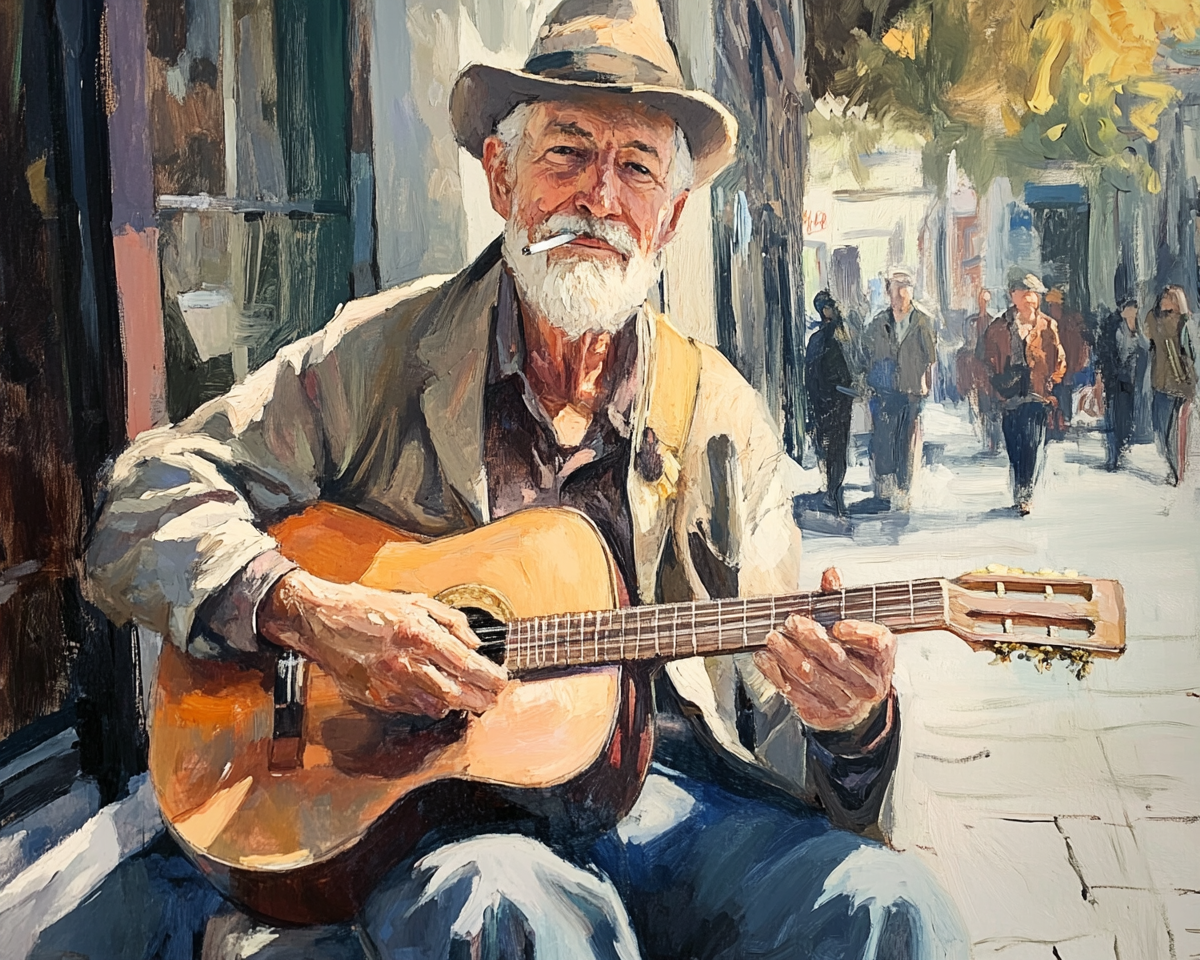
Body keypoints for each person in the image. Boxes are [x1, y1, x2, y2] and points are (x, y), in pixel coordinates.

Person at [84, 2, 966, 958]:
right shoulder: (381, 355)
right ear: (501, 176)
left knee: (889, 903)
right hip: (455, 829)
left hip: (675, 812)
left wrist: (855, 726)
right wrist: (307, 613)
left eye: (636, 168)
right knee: (499, 904)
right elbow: (138, 498)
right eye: (567, 153)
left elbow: (773, 726)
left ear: (669, 217)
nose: (598, 197)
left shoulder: (722, 420)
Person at [983, 272, 1066, 514]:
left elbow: (1059, 360)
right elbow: (987, 359)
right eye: (1025, 293)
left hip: (1036, 396)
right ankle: (1020, 486)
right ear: (1014, 295)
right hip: (1009, 397)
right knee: (1014, 446)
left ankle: (1025, 493)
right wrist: (996, 385)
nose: (1031, 299)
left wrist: (1051, 384)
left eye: (1034, 295)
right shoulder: (999, 327)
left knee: (1032, 444)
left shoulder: (1047, 325)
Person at [864, 267, 937, 509]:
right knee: (884, 437)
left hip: (911, 389)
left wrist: (926, 382)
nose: (900, 299)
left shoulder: (922, 322)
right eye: (897, 293)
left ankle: (903, 489)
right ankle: (885, 484)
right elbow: (867, 354)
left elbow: (931, 356)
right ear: (889, 293)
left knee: (906, 440)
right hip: (884, 389)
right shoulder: (878, 323)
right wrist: (870, 381)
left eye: (905, 293)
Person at [805, 291, 856, 514]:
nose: (834, 310)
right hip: (833, 400)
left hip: (832, 401)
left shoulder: (828, 338)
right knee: (835, 447)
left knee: (832, 447)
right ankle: (833, 491)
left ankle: (833, 491)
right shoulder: (834, 337)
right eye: (830, 306)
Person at [1144, 286, 1196, 485]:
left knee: (1177, 433)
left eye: (1170, 298)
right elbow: (1148, 337)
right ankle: (1175, 469)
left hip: (1182, 384)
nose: (1165, 301)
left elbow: (1191, 352)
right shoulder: (1153, 318)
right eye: (1164, 297)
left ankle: (1178, 473)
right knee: (1161, 431)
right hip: (1161, 382)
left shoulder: (1185, 322)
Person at [1095, 298, 1147, 471]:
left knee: (1126, 417)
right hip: (1113, 378)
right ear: (1123, 309)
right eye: (1130, 309)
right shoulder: (1112, 326)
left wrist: (1138, 331)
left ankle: (1122, 446)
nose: (1133, 312)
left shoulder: (1139, 328)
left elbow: (1147, 348)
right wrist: (1100, 376)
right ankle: (1113, 455)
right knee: (1112, 416)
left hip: (1131, 381)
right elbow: (1103, 351)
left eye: (1135, 309)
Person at [1042, 285, 1091, 440]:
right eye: (1050, 305)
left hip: (1067, 367)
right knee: (1052, 396)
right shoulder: (1047, 324)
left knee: (1064, 394)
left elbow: (1077, 346)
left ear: (1060, 305)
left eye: (1054, 305)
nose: (1052, 308)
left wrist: (1073, 368)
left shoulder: (1070, 323)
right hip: (1051, 368)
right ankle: (1053, 425)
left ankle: (1063, 423)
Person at [957, 288, 1001, 455]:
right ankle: (989, 439)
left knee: (993, 407)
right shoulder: (971, 321)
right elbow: (968, 342)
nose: (983, 303)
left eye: (986, 300)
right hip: (977, 370)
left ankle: (994, 440)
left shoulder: (993, 322)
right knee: (983, 407)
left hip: (989, 372)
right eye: (981, 300)